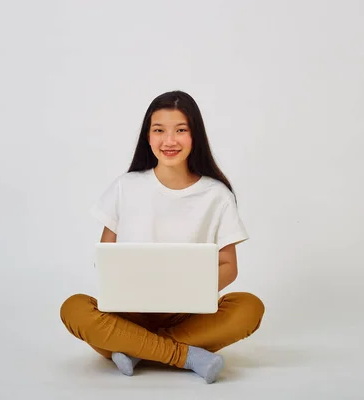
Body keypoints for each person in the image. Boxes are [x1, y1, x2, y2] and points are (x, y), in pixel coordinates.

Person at [60, 90, 264, 384]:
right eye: (159, 131)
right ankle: (186, 355)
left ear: (195, 136)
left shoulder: (216, 195)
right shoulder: (125, 186)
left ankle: (134, 349)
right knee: (73, 308)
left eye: (180, 130)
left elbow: (228, 266)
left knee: (249, 308)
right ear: (148, 136)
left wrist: (187, 289)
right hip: (128, 311)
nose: (169, 141)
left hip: (186, 313)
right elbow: (106, 258)